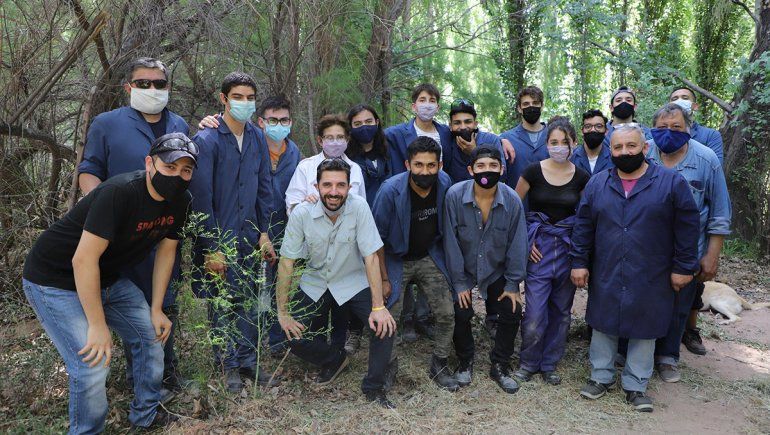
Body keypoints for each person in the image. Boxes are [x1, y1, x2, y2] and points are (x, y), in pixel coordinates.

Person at [22, 133, 197, 433]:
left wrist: (156, 307)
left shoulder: (181, 201)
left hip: (107, 278)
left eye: (186, 170)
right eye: (170, 167)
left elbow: (167, 253)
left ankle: (146, 416)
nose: (177, 176)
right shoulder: (119, 192)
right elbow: (83, 260)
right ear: (150, 163)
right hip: (54, 279)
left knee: (152, 337)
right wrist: (97, 323)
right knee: (92, 364)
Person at [77, 57, 190, 396]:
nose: (151, 89)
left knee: (164, 303)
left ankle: (166, 376)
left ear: (168, 88)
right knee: (132, 308)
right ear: (128, 87)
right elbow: (89, 169)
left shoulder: (180, 123)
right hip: (122, 239)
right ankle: (139, 383)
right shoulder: (107, 123)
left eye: (159, 84)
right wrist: (100, 212)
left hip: (164, 230)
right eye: (143, 83)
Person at [571, 123, 699, 412]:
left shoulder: (670, 182)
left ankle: (636, 384)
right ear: (610, 150)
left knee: (646, 325)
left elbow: (688, 228)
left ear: (645, 147)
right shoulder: (598, 183)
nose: (624, 152)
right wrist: (578, 262)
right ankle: (600, 376)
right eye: (618, 147)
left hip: (652, 269)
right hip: (607, 266)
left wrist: (683, 267)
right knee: (603, 321)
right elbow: (583, 226)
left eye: (631, 146)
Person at [276, 159, 398, 408]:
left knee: (385, 328)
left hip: (352, 281)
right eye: (327, 184)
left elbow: (371, 257)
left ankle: (373, 387)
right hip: (316, 282)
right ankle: (335, 357)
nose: (334, 191)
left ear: (349, 187)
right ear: (316, 186)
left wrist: (378, 307)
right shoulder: (302, 213)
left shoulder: (359, 207)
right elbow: (286, 263)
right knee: (288, 334)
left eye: (340, 185)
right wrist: (283, 312)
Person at [188, 72, 278, 393]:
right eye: (237, 97)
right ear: (223, 99)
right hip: (220, 238)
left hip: (250, 237)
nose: (244, 103)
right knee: (222, 303)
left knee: (252, 301)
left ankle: (247, 361)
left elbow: (265, 187)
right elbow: (201, 199)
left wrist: (264, 232)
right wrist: (212, 246)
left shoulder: (256, 136)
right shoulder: (208, 140)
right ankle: (226, 365)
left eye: (250, 98)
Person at [647, 103, 731, 382]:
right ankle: (638, 352)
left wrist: (712, 255)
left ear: (689, 129)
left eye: (676, 127)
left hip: (687, 252)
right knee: (643, 302)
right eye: (662, 128)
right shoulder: (642, 152)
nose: (668, 133)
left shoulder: (706, 160)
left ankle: (668, 356)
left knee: (679, 305)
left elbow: (719, 212)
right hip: (647, 250)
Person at [372, 137, 459, 391]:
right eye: (418, 165)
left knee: (446, 312)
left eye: (431, 165)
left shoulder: (445, 183)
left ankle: (439, 363)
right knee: (390, 316)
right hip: (395, 258)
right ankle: (389, 366)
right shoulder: (390, 190)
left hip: (429, 254)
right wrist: (384, 279)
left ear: (440, 165)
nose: (425, 171)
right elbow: (375, 240)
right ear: (408, 164)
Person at [444, 145, 528, 394]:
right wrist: (459, 283)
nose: (487, 171)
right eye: (481, 166)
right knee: (459, 309)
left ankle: (500, 364)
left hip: (496, 269)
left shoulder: (512, 199)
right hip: (465, 269)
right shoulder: (454, 196)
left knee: (512, 309)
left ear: (502, 169)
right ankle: (465, 359)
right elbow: (450, 242)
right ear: (470, 169)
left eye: (493, 166)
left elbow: (518, 243)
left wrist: (513, 284)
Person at [514, 119, 590, 385]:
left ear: (573, 144)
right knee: (535, 312)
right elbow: (514, 208)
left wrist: (581, 255)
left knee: (561, 311)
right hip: (539, 247)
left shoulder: (582, 177)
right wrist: (526, 241)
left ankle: (549, 363)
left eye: (564, 143)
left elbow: (587, 216)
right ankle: (528, 362)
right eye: (553, 142)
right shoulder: (532, 172)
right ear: (546, 144)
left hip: (568, 248)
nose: (559, 147)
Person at [284, 114, 366, 213]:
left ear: (347, 140)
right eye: (329, 138)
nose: (335, 142)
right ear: (320, 141)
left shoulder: (355, 169)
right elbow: (291, 204)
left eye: (340, 137)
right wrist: (303, 204)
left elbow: (362, 206)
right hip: (312, 225)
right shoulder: (305, 167)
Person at [384, 83, 452, 176]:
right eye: (422, 100)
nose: (427, 105)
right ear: (414, 106)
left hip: (439, 186)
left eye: (432, 101)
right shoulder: (395, 134)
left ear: (437, 107)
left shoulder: (447, 132)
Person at [443, 98, 508, 184]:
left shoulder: (491, 140)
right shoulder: (447, 139)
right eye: (457, 123)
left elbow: (502, 175)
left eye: (468, 122)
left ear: (475, 124)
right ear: (450, 126)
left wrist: (474, 152)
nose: (463, 127)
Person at [500, 86, 548, 189]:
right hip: (517, 202)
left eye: (535, 103)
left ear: (542, 106)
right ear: (519, 108)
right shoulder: (507, 139)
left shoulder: (554, 137)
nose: (531, 107)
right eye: (526, 104)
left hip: (549, 202)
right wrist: (498, 140)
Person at [346, 104, 391, 205]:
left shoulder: (389, 150)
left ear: (377, 122)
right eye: (357, 124)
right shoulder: (346, 158)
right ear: (350, 127)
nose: (364, 127)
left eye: (368, 121)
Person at [669, 87, 724, 164]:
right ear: (668, 106)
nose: (679, 101)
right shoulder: (657, 135)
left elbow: (716, 167)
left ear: (695, 106)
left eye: (685, 98)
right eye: (675, 99)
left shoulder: (710, 135)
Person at [571, 109, 613, 175]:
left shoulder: (613, 158)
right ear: (582, 131)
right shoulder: (571, 157)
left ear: (606, 131)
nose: (593, 130)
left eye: (598, 126)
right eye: (588, 126)